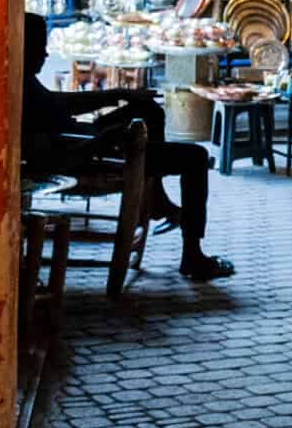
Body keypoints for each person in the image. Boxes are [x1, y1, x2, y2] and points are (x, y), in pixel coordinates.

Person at [23, 14, 234, 281]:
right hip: (88, 152)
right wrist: (103, 140)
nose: (44, 54)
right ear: (24, 46)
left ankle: (156, 198)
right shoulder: (21, 86)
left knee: (146, 109)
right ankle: (192, 254)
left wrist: (119, 94)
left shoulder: (25, 80)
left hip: (86, 140)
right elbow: (51, 151)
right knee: (196, 157)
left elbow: (60, 103)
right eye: (39, 47)